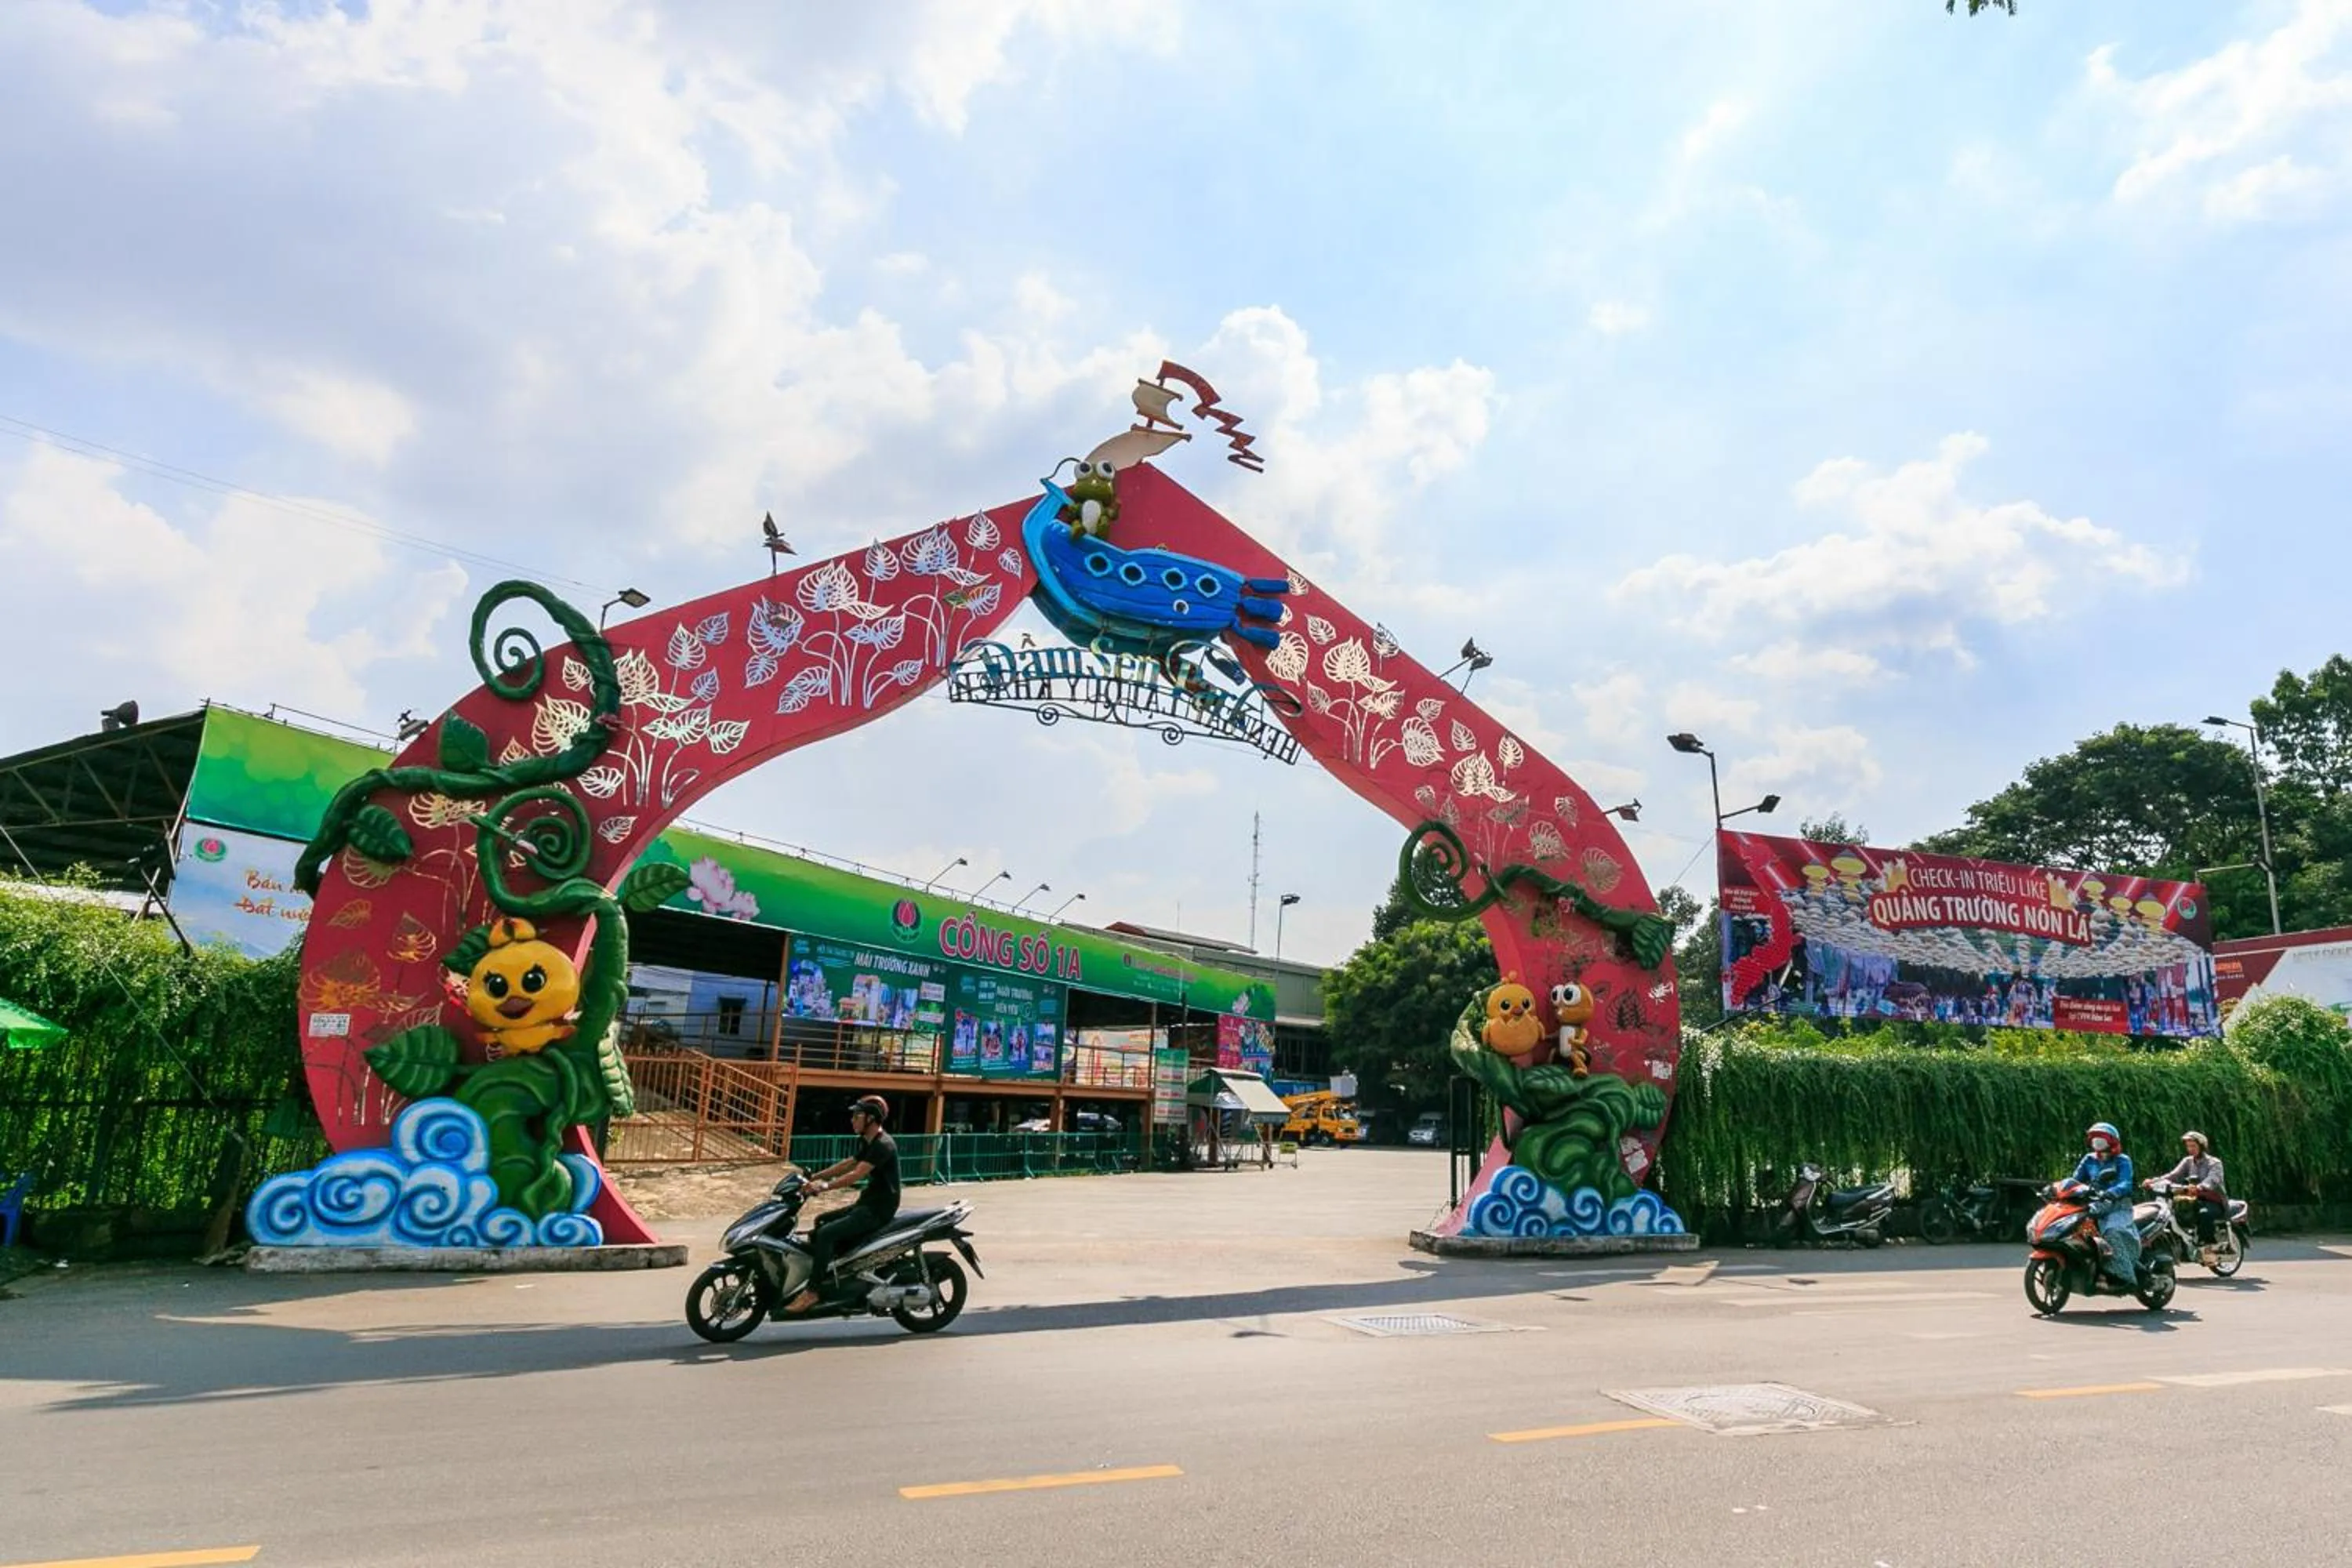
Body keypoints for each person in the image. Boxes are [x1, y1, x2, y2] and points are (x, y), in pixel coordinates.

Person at [786, 1094, 902, 1312]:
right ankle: (834, 1275)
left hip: (878, 1210)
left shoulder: (883, 1145)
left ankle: (812, 1292)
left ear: (871, 1119)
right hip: (867, 1204)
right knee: (821, 1223)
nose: (852, 1120)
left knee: (827, 1234)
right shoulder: (868, 1141)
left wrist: (825, 1187)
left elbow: (857, 1174)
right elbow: (849, 1164)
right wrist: (814, 1177)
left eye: (857, 1115)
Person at [2072, 1121, 2138, 1284]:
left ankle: (2124, 1275)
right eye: (2094, 1138)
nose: (2097, 1141)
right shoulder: (2089, 1159)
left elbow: (2126, 1183)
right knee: (2076, 1231)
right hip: (2094, 1204)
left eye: (2101, 1138)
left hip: (2118, 1206)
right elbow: (2075, 1180)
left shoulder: (2122, 1160)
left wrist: (2112, 1192)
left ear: (2112, 1141)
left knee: (2111, 1232)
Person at [2152, 1130, 2227, 1264]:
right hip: (2192, 1200)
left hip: (2212, 1200)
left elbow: (2213, 1179)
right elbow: (2173, 1175)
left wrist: (2200, 1187)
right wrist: (2154, 1181)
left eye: (2193, 1146)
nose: (2190, 1149)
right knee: (2174, 1213)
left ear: (2202, 1146)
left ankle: (2208, 1248)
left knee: (2205, 1214)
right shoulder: (2187, 1161)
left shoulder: (2214, 1163)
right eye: (2188, 1146)